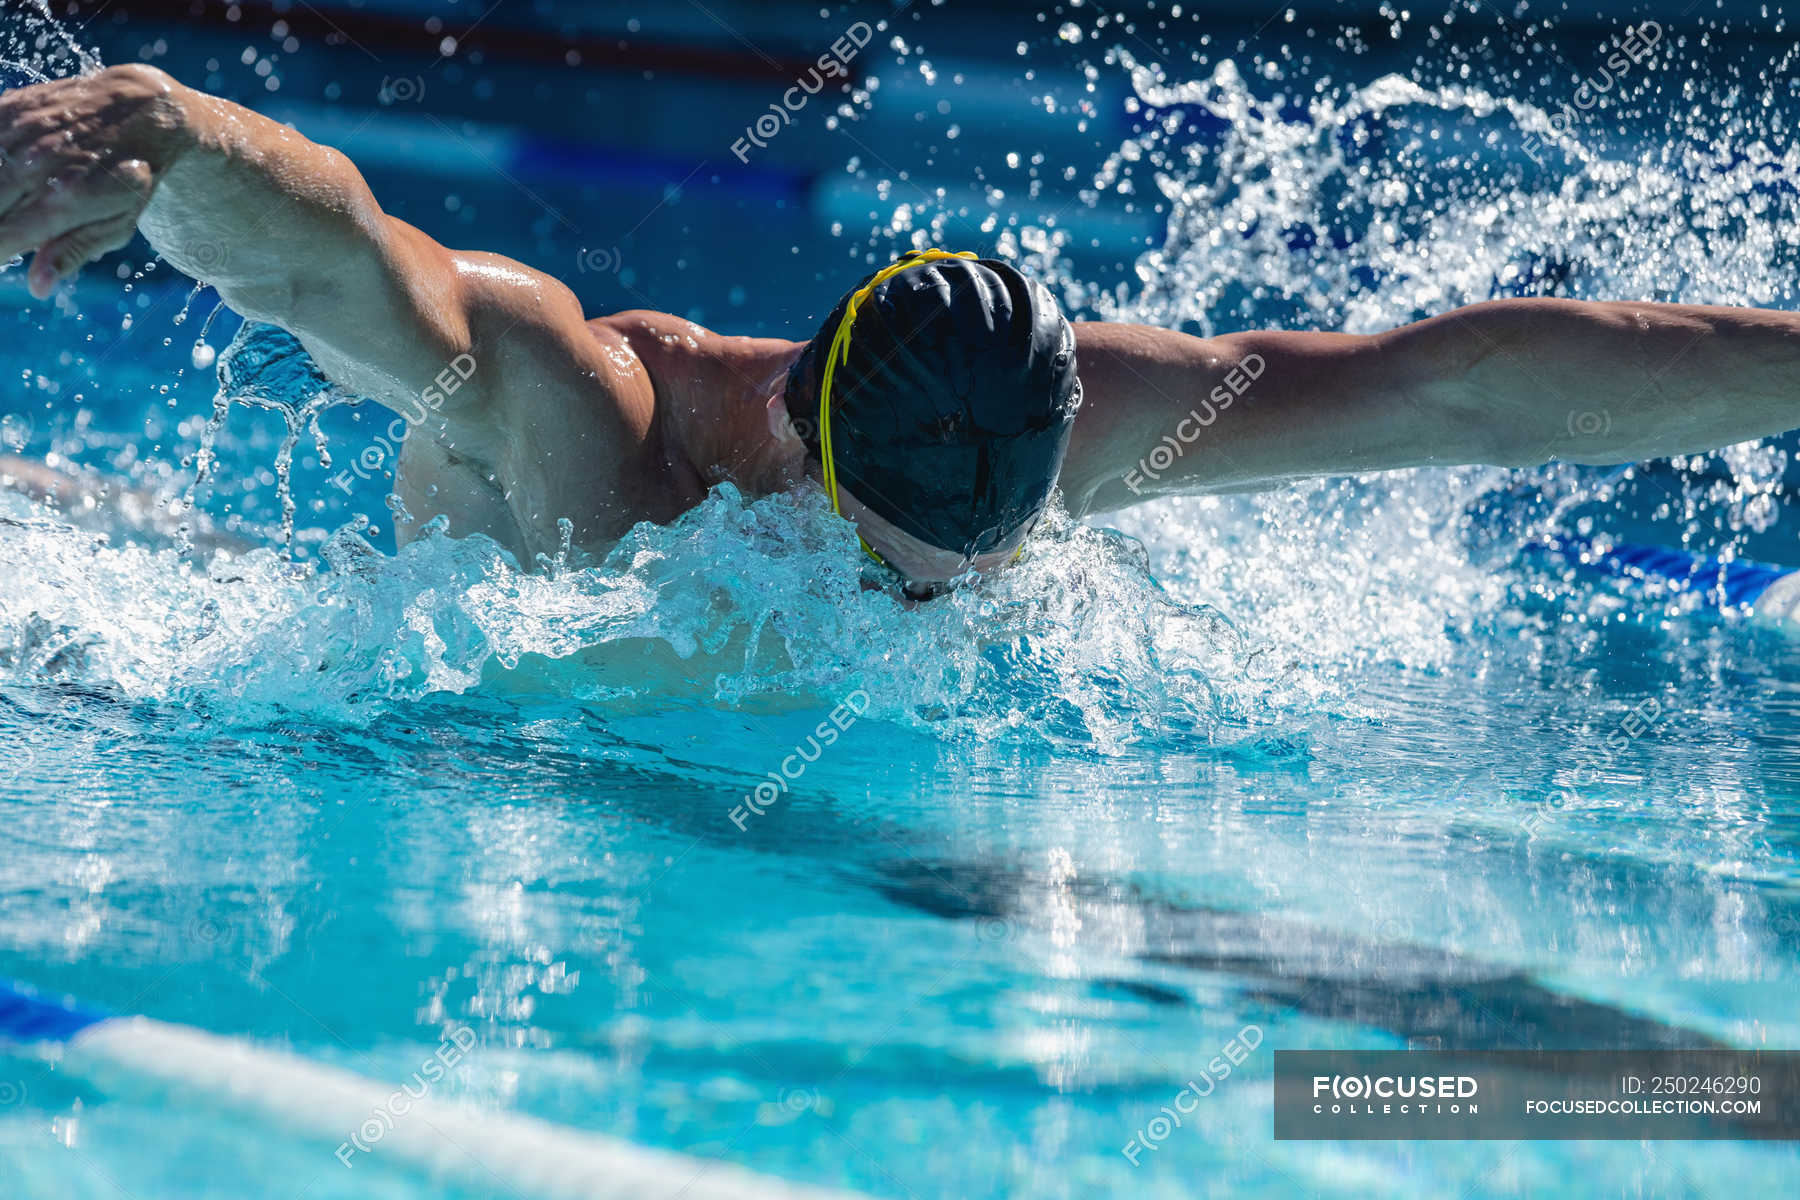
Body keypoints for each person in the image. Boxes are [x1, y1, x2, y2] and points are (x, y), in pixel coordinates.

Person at [8, 65, 1800, 601]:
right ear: (805, 437)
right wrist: (171, 131)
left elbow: (1456, 389)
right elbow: (353, 267)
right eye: (904, 560)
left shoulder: (1076, 419)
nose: (927, 600)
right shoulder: (581, 420)